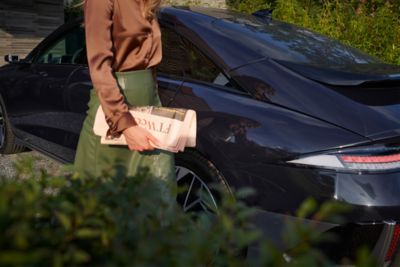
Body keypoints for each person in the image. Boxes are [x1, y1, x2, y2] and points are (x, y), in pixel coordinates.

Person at [73, 0, 176, 201]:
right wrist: (125, 125)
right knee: (106, 199)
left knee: (159, 192)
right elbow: (99, 67)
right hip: (114, 107)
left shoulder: (147, 3)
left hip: (148, 99)